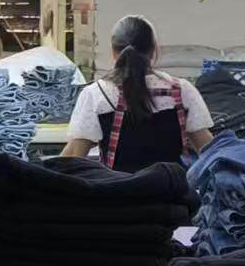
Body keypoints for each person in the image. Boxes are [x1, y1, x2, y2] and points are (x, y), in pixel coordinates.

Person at [62, 15, 214, 171]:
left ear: (113, 52)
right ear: (154, 51)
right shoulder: (182, 90)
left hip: (118, 185)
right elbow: (208, 150)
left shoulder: (97, 93)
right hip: (169, 185)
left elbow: (74, 155)